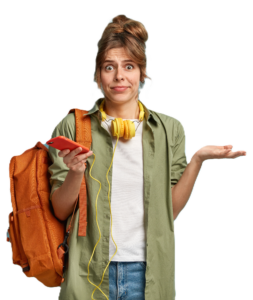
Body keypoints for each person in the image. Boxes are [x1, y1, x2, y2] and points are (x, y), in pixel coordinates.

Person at [48, 14, 247, 300]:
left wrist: (197, 161)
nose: (119, 76)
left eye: (129, 66)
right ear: (97, 74)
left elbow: (170, 212)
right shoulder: (72, 127)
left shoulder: (170, 130)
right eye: (109, 67)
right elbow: (60, 210)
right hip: (87, 272)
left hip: (148, 274)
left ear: (142, 72)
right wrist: (76, 172)